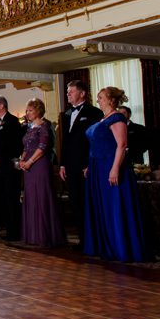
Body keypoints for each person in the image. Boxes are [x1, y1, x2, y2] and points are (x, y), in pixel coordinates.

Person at [83, 87, 152, 262]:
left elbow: (121, 145)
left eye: (100, 97)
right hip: (97, 167)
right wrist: (90, 166)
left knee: (115, 206)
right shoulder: (102, 119)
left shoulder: (117, 117)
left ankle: (120, 246)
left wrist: (114, 169)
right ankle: (107, 245)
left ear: (111, 100)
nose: (98, 100)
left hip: (110, 166)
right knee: (103, 206)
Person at [60, 79, 103, 244]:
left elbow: (94, 141)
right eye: (67, 92)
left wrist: (89, 164)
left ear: (82, 93)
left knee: (88, 203)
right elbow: (65, 141)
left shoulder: (94, 113)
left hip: (86, 165)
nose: (68, 94)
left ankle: (94, 239)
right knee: (75, 202)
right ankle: (83, 239)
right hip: (70, 165)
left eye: (71, 91)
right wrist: (63, 164)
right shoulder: (67, 114)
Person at [19, 99, 66, 247]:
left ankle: (46, 235)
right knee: (31, 197)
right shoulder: (29, 127)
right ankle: (33, 234)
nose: (27, 113)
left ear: (39, 111)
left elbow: (43, 147)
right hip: (28, 166)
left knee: (42, 196)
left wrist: (30, 161)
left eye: (30, 110)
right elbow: (26, 145)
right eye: (27, 110)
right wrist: (22, 159)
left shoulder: (45, 125)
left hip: (39, 165)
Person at [0, 95, 25, 241]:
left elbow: (12, 144)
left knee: (11, 199)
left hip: (9, 167)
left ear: (2, 106)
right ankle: (8, 228)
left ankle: (14, 231)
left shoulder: (12, 121)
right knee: (3, 199)